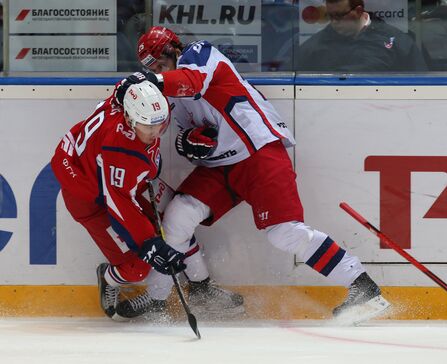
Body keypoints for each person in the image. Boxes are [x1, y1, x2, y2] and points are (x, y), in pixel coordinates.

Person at [113, 26, 391, 323]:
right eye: (149, 67)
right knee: (178, 215)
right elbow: (185, 135)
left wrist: (147, 79)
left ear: (172, 50)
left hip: (258, 152)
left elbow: (192, 82)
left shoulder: (200, 54)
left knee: (284, 233)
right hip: (221, 166)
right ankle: (158, 298)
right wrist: (189, 142)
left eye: (158, 63)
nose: (156, 70)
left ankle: (362, 286)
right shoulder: (171, 96)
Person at [51, 80, 187, 321]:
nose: (156, 133)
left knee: (173, 219)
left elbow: (127, 84)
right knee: (138, 267)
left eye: (160, 125)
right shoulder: (122, 149)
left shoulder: (130, 101)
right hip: (91, 200)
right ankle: (108, 278)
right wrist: (148, 243)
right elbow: (118, 203)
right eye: (148, 127)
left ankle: (175, 285)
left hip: (107, 175)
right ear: (131, 120)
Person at [296, 0, 427, 72]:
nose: (334, 22)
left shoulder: (398, 41)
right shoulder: (314, 46)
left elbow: (421, 84)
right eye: (330, 16)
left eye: (340, 16)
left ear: (358, 11)